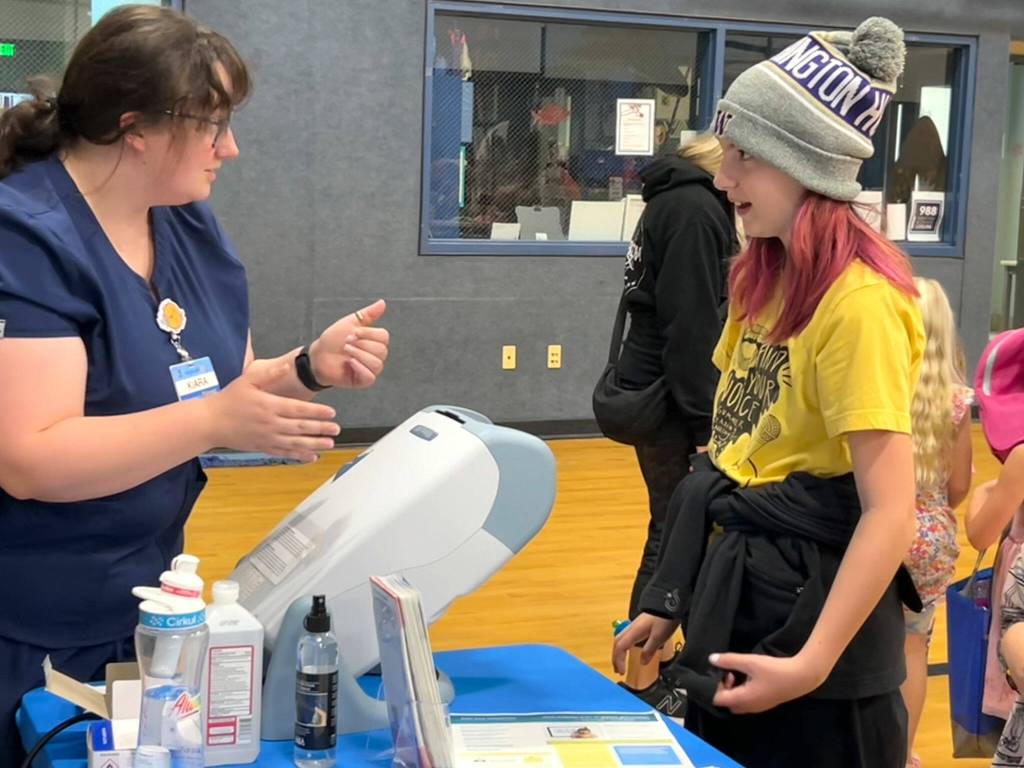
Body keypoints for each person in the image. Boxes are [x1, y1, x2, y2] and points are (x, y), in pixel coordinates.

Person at [0, 6, 389, 760]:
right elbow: (30, 459)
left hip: (142, 602)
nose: (230, 148)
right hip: (30, 620)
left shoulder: (183, 221)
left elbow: (218, 387)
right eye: (213, 125)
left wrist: (307, 367)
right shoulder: (26, 238)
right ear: (135, 128)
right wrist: (216, 420)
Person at [613, 17, 924, 767]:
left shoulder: (860, 304)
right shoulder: (761, 278)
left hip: (822, 641)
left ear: (805, 164)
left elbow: (890, 512)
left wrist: (811, 663)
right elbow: (730, 458)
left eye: (745, 157)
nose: (724, 180)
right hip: (740, 601)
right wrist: (672, 597)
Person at [607, 134, 737, 713]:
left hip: (657, 385)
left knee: (670, 529)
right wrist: (708, 422)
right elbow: (691, 325)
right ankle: (644, 680)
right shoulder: (694, 208)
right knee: (672, 533)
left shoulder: (671, 199)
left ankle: (654, 669)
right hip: (673, 396)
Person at [900, 278, 973, 768]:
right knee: (913, 646)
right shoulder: (956, 402)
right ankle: (901, 752)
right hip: (927, 538)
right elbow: (959, 486)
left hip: (871, 530)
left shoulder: (879, 388)